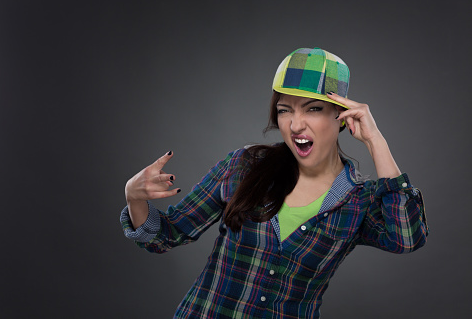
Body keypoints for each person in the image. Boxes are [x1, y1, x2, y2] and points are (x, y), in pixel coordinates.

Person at [120, 47, 429, 318]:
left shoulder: (359, 199)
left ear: (342, 115)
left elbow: (406, 238)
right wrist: (134, 198)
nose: (295, 125)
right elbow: (168, 234)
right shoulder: (243, 166)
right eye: (285, 110)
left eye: (313, 109)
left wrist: (376, 141)